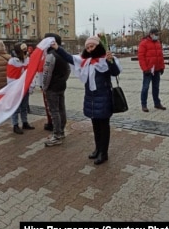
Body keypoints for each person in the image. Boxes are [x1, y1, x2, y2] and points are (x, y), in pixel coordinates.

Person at [51, 35, 121, 164]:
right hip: (91, 98)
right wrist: (57, 48)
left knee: (104, 126)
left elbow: (115, 72)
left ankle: (103, 153)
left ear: (98, 46)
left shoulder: (105, 59)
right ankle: (97, 149)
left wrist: (110, 61)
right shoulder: (86, 61)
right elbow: (69, 58)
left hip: (104, 97)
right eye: (87, 47)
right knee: (95, 125)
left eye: (92, 46)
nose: (89, 49)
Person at [42, 33, 71, 146]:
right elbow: (68, 70)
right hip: (61, 86)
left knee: (54, 111)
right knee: (61, 109)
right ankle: (61, 132)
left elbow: (46, 74)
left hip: (52, 88)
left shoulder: (51, 55)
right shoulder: (63, 53)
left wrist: (44, 87)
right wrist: (63, 80)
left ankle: (57, 135)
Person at [7, 42, 35, 134]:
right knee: (16, 107)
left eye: (25, 49)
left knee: (24, 106)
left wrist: (30, 85)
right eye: (23, 49)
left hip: (25, 87)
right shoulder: (12, 61)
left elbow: (30, 73)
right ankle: (15, 125)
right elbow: (11, 77)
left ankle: (25, 122)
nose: (25, 51)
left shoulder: (27, 60)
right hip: (15, 88)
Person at [138, 28, 166, 112]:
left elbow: (161, 57)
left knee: (156, 87)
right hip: (148, 70)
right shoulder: (144, 43)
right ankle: (144, 104)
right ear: (151, 34)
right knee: (145, 87)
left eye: (158, 34)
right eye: (156, 34)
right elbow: (141, 57)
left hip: (157, 69)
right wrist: (145, 69)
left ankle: (157, 103)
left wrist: (162, 67)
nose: (157, 36)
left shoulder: (158, 43)